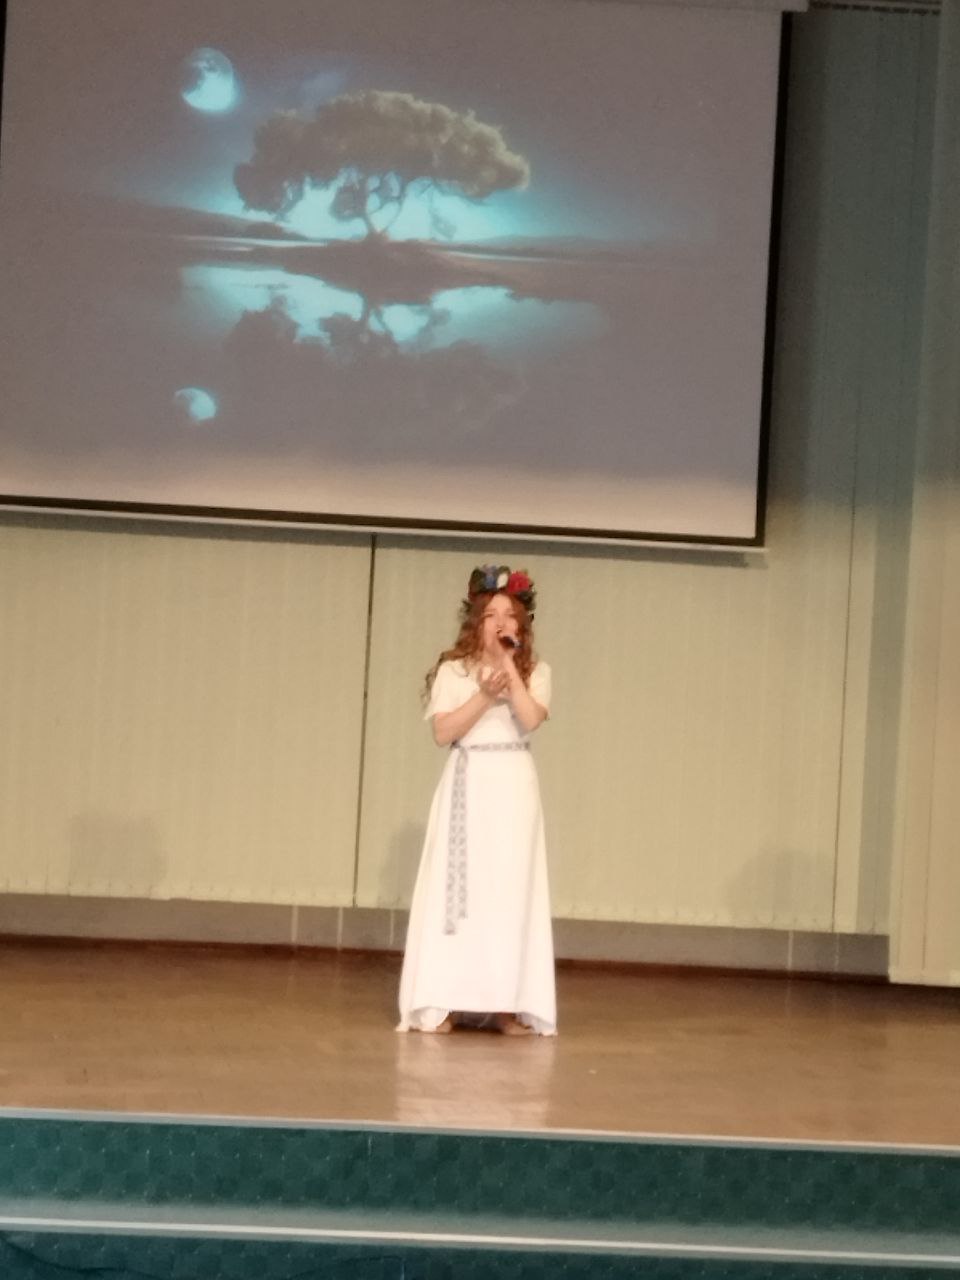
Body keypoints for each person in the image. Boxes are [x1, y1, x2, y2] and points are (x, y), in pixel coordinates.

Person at [397, 564, 556, 1036]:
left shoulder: (536, 671)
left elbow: (531, 719)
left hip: (513, 786)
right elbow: (443, 732)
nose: (501, 622)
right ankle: (444, 1001)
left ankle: (505, 1006)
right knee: (460, 891)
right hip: (469, 783)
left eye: (510, 615)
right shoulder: (454, 671)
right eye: (492, 615)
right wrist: (484, 696)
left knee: (509, 892)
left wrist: (509, 668)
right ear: (476, 621)